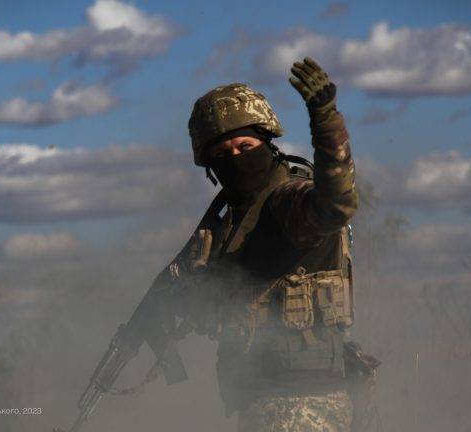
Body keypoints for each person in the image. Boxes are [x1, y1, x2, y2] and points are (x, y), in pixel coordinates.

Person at [157, 57, 377, 432]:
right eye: (223, 155)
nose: (236, 159)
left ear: (268, 143)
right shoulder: (229, 222)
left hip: (305, 403)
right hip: (262, 401)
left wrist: (325, 119)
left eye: (245, 145)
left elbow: (338, 202)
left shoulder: (287, 201)